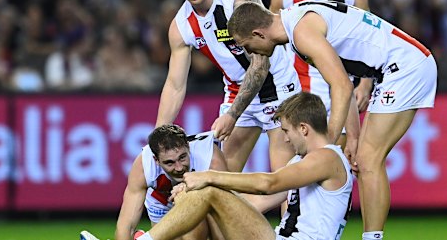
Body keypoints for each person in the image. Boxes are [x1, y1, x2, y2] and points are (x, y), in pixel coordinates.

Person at [227, 1, 437, 240]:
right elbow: (342, 80)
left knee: (369, 161)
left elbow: (342, 85)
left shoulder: (301, 32)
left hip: (405, 67)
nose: (251, 52)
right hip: (392, 68)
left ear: (258, 33)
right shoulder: (297, 24)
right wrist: (352, 137)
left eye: (248, 45)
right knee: (360, 159)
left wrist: (326, 146)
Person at [133, 92, 353, 240]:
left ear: (304, 128)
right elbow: (257, 202)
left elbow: (268, 183)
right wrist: (199, 192)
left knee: (208, 191)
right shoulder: (303, 162)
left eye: (286, 131)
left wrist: (209, 177)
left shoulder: (327, 158)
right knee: (204, 194)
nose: (286, 139)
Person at [156, 0, 301, 172]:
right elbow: (175, 85)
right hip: (237, 90)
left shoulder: (238, 1)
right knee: (221, 181)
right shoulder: (180, 26)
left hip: (278, 87)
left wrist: (232, 115)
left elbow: (260, 66)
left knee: (284, 182)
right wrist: (158, 137)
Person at [269, 0, 374, 149]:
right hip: (298, 93)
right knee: (297, 173)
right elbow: (270, 43)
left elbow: (368, 42)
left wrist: (365, 84)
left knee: (338, 167)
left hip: (342, 94)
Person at [113, 124, 228, 240]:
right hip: (162, 199)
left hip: (203, 200)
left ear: (188, 147)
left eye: (182, 157)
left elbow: (225, 213)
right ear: (156, 160)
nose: (179, 168)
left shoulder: (211, 160)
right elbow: (127, 225)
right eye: (169, 163)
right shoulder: (145, 165)